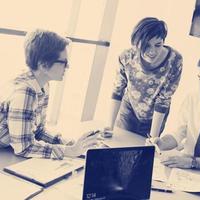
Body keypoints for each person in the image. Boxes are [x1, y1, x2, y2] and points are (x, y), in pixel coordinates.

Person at [0, 29, 100, 159]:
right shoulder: (25, 91)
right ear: (43, 65)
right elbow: (24, 148)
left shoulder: (43, 84)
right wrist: (69, 151)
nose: (67, 67)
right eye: (64, 62)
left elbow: (38, 131)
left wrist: (67, 143)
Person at [106, 17, 183, 138]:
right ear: (137, 42)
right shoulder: (127, 57)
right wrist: (109, 127)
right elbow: (117, 90)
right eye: (146, 45)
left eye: (158, 45)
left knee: (143, 151)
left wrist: (153, 138)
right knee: (119, 147)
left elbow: (163, 100)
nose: (152, 51)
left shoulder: (175, 60)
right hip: (128, 111)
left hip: (155, 117)